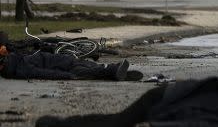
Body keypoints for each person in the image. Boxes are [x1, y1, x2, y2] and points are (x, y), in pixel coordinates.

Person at [34, 76, 218, 127]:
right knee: (117, 123)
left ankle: (58, 123)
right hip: (163, 97)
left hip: (163, 112)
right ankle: (59, 122)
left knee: (117, 124)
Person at [0, 45, 136, 81]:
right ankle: (113, 71)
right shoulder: (19, 68)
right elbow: (43, 73)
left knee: (88, 66)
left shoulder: (15, 59)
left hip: (62, 61)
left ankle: (114, 72)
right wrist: (65, 76)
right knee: (86, 70)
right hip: (63, 67)